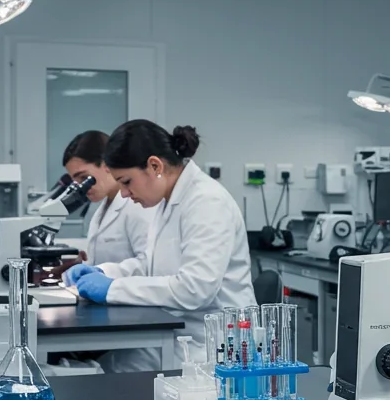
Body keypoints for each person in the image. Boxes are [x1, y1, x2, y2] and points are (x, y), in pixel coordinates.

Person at [62, 121, 255, 372]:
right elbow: (150, 264)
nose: (123, 194)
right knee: (96, 373)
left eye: (126, 181)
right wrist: (106, 272)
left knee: (103, 378)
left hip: (213, 350)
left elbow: (194, 289)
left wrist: (113, 289)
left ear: (155, 165)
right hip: (176, 337)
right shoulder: (167, 201)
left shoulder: (207, 202)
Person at [61, 130, 150, 267]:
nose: (82, 187)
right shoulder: (100, 209)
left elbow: (148, 263)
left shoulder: (136, 204)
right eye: (76, 181)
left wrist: (104, 273)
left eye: (84, 178)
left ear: (106, 164)